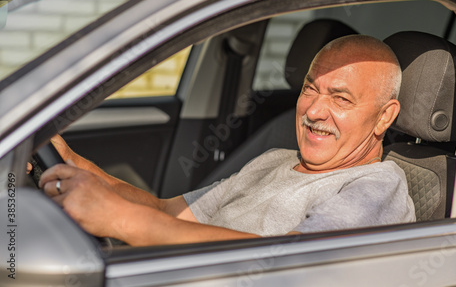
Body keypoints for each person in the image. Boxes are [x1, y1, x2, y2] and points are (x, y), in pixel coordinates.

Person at [39, 35, 416, 246]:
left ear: (385, 116)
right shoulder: (276, 159)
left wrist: (119, 219)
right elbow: (169, 212)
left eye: (340, 98)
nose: (314, 111)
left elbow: (287, 267)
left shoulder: (377, 187)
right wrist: (71, 162)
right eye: (310, 89)